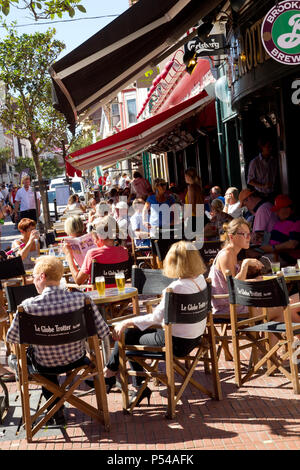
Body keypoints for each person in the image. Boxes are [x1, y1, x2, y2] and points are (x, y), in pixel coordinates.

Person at [6, 255, 109, 426]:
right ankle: (58, 407)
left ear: (43, 276)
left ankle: (55, 409)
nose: (32, 281)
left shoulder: (27, 306)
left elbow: (11, 338)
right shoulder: (82, 300)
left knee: (32, 356)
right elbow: (103, 330)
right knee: (42, 353)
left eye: (34, 277)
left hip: (45, 364)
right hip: (76, 359)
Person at [103, 240, 208, 403]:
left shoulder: (175, 288)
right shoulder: (201, 280)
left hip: (174, 343)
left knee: (127, 336)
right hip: (195, 339)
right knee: (131, 331)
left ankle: (125, 381)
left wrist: (126, 322)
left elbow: (155, 318)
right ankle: (113, 376)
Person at [209, 218, 264, 316]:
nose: (248, 238)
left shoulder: (231, 253)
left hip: (236, 304)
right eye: (244, 234)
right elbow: (233, 286)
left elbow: (231, 284)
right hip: (229, 308)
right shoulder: (226, 255)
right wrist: (245, 264)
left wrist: (254, 281)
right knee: (283, 307)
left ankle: (257, 331)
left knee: (282, 305)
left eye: (249, 234)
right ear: (231, 237)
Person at [62, 215, 129, 285]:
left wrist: (69, 255)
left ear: (100, 237)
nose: (94, 242)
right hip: (120, 293)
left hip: (98, 294)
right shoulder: (124, 251)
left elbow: (78, 281)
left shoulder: (92, 254)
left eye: (94, 239)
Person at [258, 195, 300, 266]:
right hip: (269, 254)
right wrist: (260, 237)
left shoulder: (296, 222)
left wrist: (273, 248)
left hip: (283, 258)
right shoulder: (278, 222)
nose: (276, 213)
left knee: (253, 266)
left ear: (287, 209)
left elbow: (292, 244)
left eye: (278, 210)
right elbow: (267, 240)